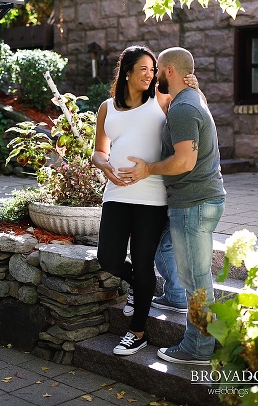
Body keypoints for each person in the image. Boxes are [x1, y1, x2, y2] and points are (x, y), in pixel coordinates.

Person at [120, 47, 225, 366]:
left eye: (157, 70)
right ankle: (175, 297)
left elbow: (184, 161)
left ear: (168, 71)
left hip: (193, 203)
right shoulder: (191, 99)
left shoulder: (183, 108)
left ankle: (198, 347)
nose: (153, 77)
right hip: (194, 200)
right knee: (169, 249)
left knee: (196, 278)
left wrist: (148, 169)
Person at [91, 46, 173, 356]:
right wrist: (105, 166)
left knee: (142, 262)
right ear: (127, 72)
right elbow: (99, 151)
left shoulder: (160, 100)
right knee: (108, 258)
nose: (150, 75)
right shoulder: (107, 108)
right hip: (116, 193)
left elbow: (196, 110)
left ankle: (137, 332)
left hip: (152, 196)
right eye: (144, 69)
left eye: (153, 70)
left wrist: (194, 87)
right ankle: (139, 287)